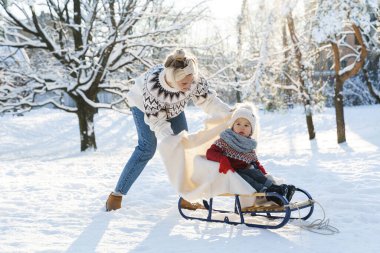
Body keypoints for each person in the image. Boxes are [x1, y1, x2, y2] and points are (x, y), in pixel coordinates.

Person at [106, 49, 233, 211]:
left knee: (186, 149)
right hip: (143, 105)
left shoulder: (192, 79)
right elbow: (158, 123)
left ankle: (186, 197)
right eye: (184, 84)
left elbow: (208, 101)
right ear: (174, 79)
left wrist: (229, 113)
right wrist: (170, 140)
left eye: (191, 81)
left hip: (173, 106)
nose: (189, 87)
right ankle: (116, 195)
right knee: (147, 148)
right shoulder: (154, 87)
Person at [206, 105, 296, 206]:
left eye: (246, 125)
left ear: (251, 130)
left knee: (256, 174)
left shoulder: (249, 145)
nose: (242, 128)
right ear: (232, 126)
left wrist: (264, 174)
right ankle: (269, 193)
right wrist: (222, 159)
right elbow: (210, 153)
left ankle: (277, 190)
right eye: (238, 124)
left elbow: (255, 162)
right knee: (246, 178)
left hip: (245, 171)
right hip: (230, 174)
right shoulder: (225, 140)